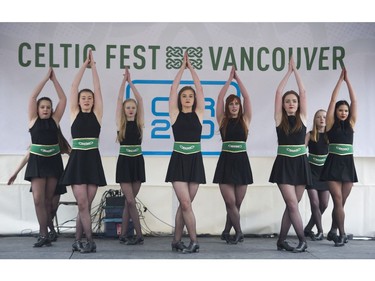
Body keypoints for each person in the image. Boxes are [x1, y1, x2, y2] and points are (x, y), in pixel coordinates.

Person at [60, 49, 107, 254]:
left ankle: (77, 240)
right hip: (77, 161)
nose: (87, 99)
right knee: (82, 203)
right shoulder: (73, 113)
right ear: (78, 101)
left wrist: (94, 67)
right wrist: (84, 64)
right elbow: (73, 86)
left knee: (85, 205)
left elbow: (97, 87)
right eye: (83, 97)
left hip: (93, 162)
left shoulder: (97, 114)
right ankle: (89, 240)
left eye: (89, 98)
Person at [269, 57, 312, 253]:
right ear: (284, 105)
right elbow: (278, 92)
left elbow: (303, 92)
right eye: (288, 101)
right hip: (284, 165)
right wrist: (288, 73)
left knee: (291, 205)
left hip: (301, 164)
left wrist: (296, 71)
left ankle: (281, 241)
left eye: (294, 101)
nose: (291, 103)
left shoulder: (303, 118)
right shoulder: (279, 119)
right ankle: (303, 240)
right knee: (292, 204)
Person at [165, 51, 206, 254]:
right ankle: (194, 240)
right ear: (180, 100)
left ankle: (176, 240)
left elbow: (199, 88)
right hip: (179, 161)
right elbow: (173, 88)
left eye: (191, 96)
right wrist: (183, 67)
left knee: (185, 205)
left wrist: (193, 69)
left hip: (195, 162)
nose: (188, 98)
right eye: (184, 96)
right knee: (185, 202)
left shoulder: (199, 114)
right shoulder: (174, 114)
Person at [24, 67, 67, 247]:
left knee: (49, 201)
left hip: (53, 162)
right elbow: (32, 97)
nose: (46, 109)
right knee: (37, 199)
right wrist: (44, 79)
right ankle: (43, 233)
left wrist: (54, 80)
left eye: (48, 107)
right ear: (38, 109)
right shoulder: (33, 119)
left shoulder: (55, 120)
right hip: (37, 163)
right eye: (43, 107)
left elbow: (63, 99)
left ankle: (48, 230)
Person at [7, 130, 71, 242]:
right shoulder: (39, 138)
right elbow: (27, 156)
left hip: (56, 173)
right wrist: (15, 173)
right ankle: (49, 231)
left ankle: (48, 231)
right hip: (41, 172)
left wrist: (72, 171)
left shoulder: (59, 140)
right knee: (42, 204)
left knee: (52, 207)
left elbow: (73, 154)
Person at [213, 66, 253, 244]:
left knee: (237, 204)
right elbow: (220, 98)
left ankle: (227, 230)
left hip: (242, 163)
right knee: (230, 202)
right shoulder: (222, 120)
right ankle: (239, 232)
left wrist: (238, 79)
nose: (234, 106)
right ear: (228, 107)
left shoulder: (245, 120)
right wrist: (229, 80)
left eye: (237, 103)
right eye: (232, 104)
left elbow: (248, 97)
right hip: (226, 162)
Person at [320, 68, 358, 247]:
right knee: (337, 200)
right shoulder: (330, 124)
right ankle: (342, 234)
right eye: (340, 110)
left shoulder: (351, 123)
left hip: (348, 165)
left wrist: (348, 81)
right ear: (335, 112)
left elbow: (354, 100)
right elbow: (333, 99)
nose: (343, 112)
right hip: (333, 164)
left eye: (345, 110)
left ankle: (333, 231)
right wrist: (339, 81)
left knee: (341, 202)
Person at [115, 67, 145, 245]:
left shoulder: (140, 122)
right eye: (128, 107)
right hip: (125, 163)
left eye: (133, 107)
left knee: (129, 202)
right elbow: (119, 100)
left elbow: (140, 99)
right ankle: (139, 235)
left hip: (138, 163)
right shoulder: (120, 123)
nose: (131, 109)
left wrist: (131, 83)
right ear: (124, 110)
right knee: (131, 201)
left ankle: (123, 234)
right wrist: (123, 82)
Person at [303, 109, 330, 241]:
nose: (322, 119)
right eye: (318, 117)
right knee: (315, 203)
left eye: (324, 117)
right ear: (315, 120)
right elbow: (302, 151)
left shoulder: (330, 136)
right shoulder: (310, 135)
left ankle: (308, 228)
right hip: (311, 173)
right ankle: (320, 231)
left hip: (325, 174)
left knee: (323, 204)